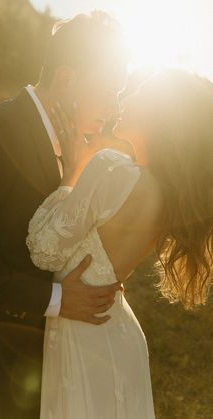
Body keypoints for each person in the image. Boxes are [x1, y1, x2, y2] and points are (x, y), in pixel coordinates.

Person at [26, 68, 213, 418]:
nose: (124, 100)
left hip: (83, 337)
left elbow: (42, 249)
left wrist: (70, 175)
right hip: (112, 333)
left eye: (139, 94)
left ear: (163, 118)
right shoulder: (168, 197)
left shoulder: (111, 168)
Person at [0, 12, 128, 419]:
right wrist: (56, 299)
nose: (114, 108)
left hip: (55, 373)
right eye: (110, 89)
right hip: (3, 375)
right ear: (66, 79)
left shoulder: (75, 149)